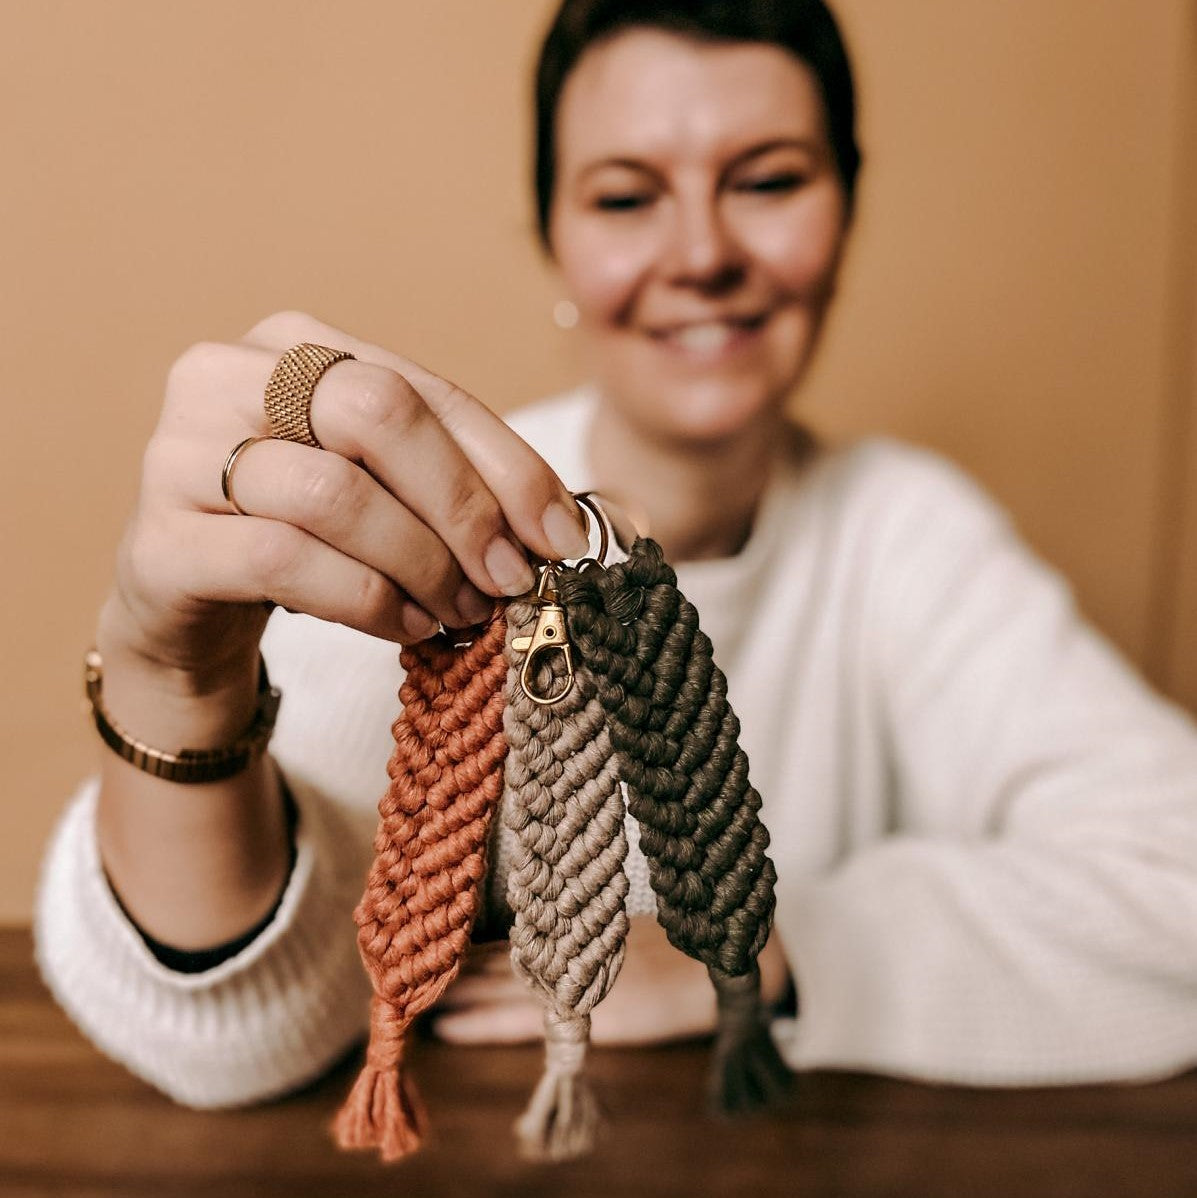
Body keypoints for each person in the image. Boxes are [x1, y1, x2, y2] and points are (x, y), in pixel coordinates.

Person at [34, 0, 1197, 1111]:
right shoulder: (439, 526)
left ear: (847, 208)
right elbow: (235, 1026)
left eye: (771, 180)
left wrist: (757, 948)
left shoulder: (904, 533)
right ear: (553, 235)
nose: (701, 252)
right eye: (627, 196)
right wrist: (168, 674)